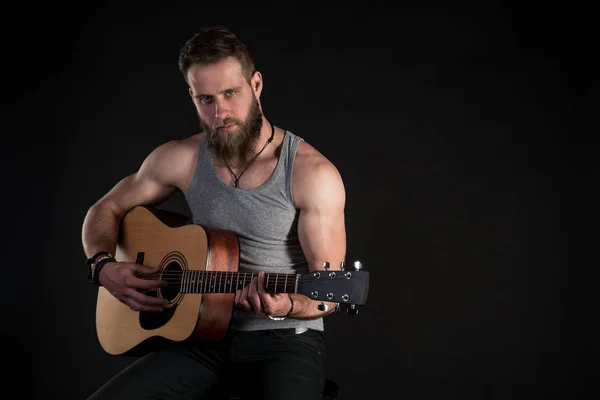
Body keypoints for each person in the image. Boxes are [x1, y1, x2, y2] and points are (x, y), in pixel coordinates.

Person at [81, 25, 347, 400]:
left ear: (255, 85)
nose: (220, 112)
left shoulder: (311, 173)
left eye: (230, 93)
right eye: (206, 99)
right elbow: (104, 208)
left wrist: (288, 303)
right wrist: (102, 266)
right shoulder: (181, 158)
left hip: (285, 341)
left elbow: (331, 291)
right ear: (191, 96)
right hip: (201, 338)